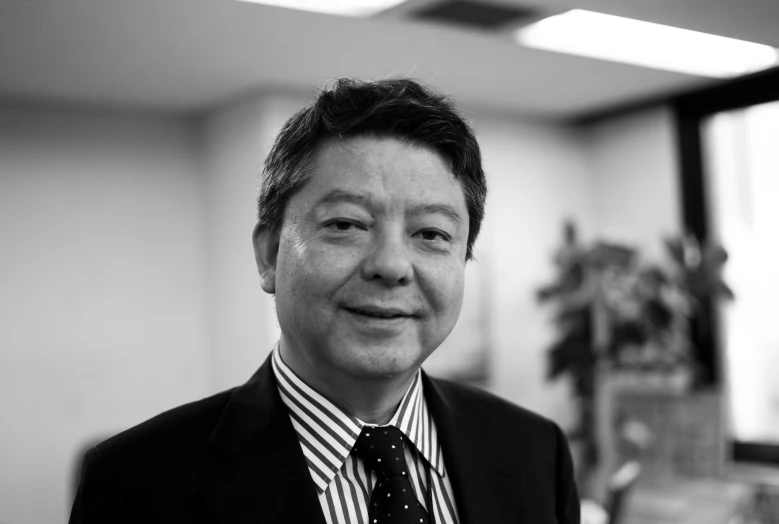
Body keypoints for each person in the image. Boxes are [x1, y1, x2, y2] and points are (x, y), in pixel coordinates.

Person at [70, 78, 580, 524]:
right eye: (345, 225)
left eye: (430, 234)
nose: (392, 265)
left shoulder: (535, 451)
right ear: (270, 255)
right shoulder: (136, 484)